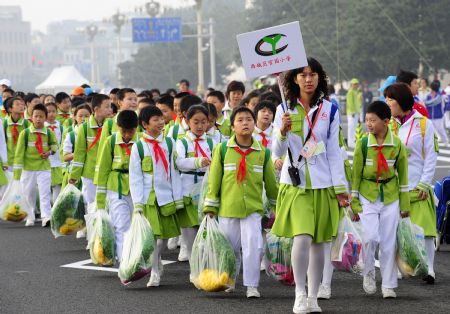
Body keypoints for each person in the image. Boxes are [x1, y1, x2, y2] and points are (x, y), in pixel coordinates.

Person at [271, 57, 349, 313]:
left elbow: (335, 152)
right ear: (294, 79)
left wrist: (340, 188)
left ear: (319, 78)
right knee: (302, 238)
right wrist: (282, 132)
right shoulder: (284, 109)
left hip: (324, 184)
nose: (308, 79)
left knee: (320, 244)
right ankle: (299, 293)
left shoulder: (330, 109)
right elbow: (277, 151)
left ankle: (314, 296)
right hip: (297, 184)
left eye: (313, 74)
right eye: (303, 74)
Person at [203, 106, 278, 299]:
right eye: (240, 120)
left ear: (254, 124)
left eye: (249, 120)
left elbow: (270, 183)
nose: (245, 123)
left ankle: (252, 285)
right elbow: (214, 180)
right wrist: (210, 207)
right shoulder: (222, 150)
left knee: (254, 246)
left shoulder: (263, 153)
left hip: (253, 209)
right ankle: (229, 279)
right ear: (233, 126)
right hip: (228, 208)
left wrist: (277, 208)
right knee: (229, 247)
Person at [351, 100, 409, 299]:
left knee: (388, 241)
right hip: (368, 195)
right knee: (370, 237)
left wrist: (405, 203)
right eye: (366, 120)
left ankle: (388, 284)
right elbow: (356, 174)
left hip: (391, 196)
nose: (368, 124)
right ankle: (368, 272)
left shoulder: (397, 145)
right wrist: (354, 199)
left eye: (372, 120)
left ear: (386, 121)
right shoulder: (364, 144)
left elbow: (403, 175)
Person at [385, 83, 438, 284]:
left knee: (424, 227)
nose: (388, 103)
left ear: (402, 101)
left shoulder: (423, 123)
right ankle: (399, 265)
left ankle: (429, 268)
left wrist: (425, 183)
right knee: (396, 228)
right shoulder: (387, 124)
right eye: (387, 99)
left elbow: (431, 156)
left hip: (418, 184)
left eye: (391, 99)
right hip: (394, 185)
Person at [129, 105, 183, 287]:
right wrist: (137, 203)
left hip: (166, 197)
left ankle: (157, 260)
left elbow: (175, 172)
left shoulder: (169, 143)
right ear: (145, 124)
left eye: (161, 118)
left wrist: (178, 197)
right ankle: (155, 272)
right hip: (148, 199)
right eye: (156, 120)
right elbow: (135, 176)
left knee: (164, 239)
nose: (161, 122)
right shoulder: (139, 147)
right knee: (153, 238)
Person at [96, 110, 139, 260]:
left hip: (137, 189)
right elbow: (103, 170)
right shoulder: (111, 141)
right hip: (116, 188)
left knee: (137, 225)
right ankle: (124, 261)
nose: (127, 135)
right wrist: (100, 200)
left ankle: (136, 258)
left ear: (137, 128)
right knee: (121, 225)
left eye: (131, 131)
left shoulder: (141, 142)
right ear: (117, 126)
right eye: (124, 131)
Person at [175, 105, 214, 267]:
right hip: (187, 192)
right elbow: (179, 163)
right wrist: (198, 162)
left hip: (205, 192)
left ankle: (205, 266)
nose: (199, 126)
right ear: (187, 122)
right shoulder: (182, 142)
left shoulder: (212, 142)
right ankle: (194, 268)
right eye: (196, 122)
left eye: (203, 122)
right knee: (189, 234)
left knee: (205, 233)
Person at [13, 104, 58, 227]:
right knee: (29, 193)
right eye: (36, 116)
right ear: (31, 117)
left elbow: (55, 145)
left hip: (44, 167)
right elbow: (19, 154)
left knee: (44, 193)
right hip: (28, 168)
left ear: (45, 117)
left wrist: (49, 152)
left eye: (41, 116)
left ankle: (46, 217)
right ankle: (30, 216)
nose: (38, 119)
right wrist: (17, 175)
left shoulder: (48, 132)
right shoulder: (25, 133)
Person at [69, 94, 112, 209]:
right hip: (89, 173)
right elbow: (79, 153)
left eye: (111, 106)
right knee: (91, 204)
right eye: (107, 107)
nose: (111, 110)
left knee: (107, 204)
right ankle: (92, 226)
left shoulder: (113, 126)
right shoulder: (84, 128)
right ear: (97, 109)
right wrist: (74, 175)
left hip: (108, 172)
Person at [60, 104, 92, 191]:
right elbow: (65, 157)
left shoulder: (95, 133)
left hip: (90, 173)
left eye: (87, 116)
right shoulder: (71, 135)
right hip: (74, 174)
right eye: (80, 116)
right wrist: (80, 153)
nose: (83, 118)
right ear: (74, 117)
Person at [3, 97, 29, 175]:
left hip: (24, 161)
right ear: (10, 109)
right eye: (17, 104)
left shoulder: (27, 124)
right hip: (9, 162)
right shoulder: (4, 123)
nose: (21, 106)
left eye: (22, 104)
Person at [44, 102, 63, 203]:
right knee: (45, 187)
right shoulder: (42, 127)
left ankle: (55, 207)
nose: (51, 114)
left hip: (58, 161)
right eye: (48, 112)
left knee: (57, 185)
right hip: (45, 161)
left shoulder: (61, 127)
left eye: (53, 111)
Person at [425, 80, 448, 145]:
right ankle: (433, 142)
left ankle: (446, 140)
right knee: (431, 130)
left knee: (440, 129)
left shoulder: (440, 96)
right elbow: (426, 104)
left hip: (438, 116)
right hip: (430, 116)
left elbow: (446, 102)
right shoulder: (428, 95)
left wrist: (443, 110)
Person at [346, 78, 363, 148]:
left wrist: (358, 112)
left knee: (354, 127)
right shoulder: (350, 92)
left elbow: (357, 103)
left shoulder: (356, 92)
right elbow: (350, 103)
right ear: (352, 85)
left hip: (356, 112)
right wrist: (353, 111)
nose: (356, 85)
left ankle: (352, 141)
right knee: (351, 127)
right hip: (352, 113)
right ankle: (350, 142)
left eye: (357, 84)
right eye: (354, 84)